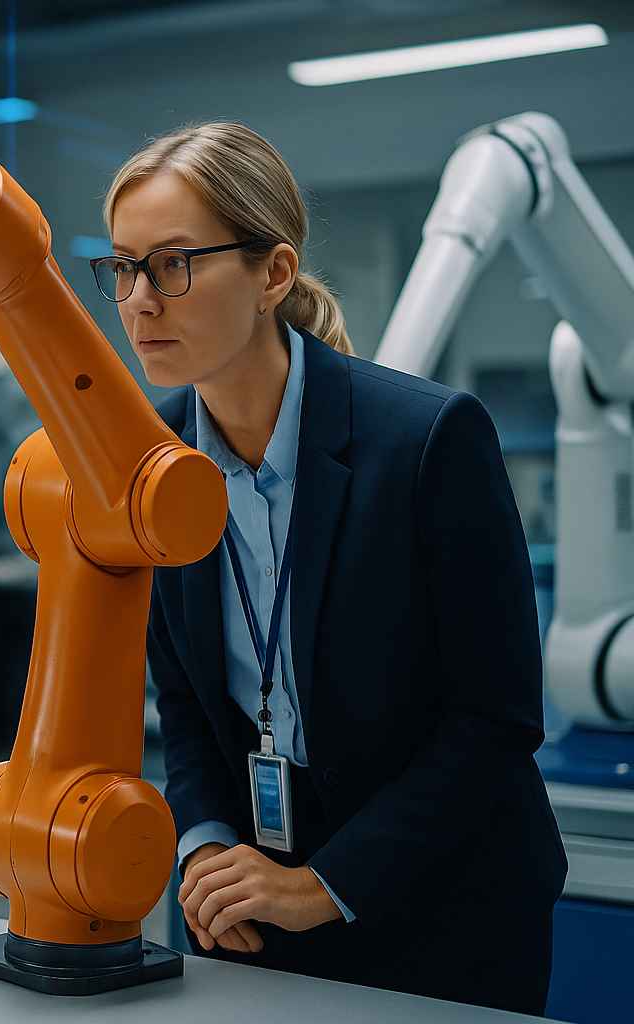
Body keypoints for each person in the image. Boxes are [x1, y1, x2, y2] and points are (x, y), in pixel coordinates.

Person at [92, 122, 566, 1014]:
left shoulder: (426, 441)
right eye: (122, 268)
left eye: (173, 264)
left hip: (443, 900)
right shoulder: (143, 463)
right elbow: (188, 705)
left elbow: (495, 721)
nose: (140, 301)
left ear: (273, 274)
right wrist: (200, 848)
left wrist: (325, 884)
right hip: (250, 898)